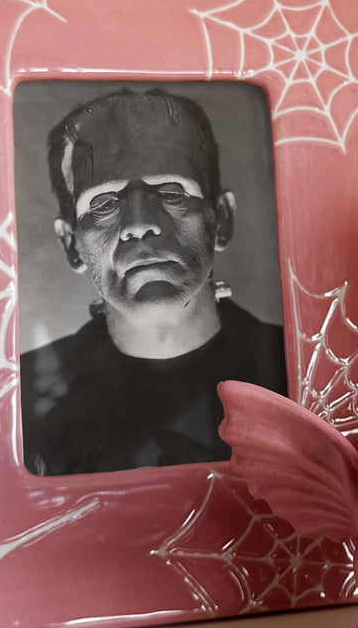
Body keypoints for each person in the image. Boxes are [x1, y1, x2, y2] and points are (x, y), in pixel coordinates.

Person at [19, 88, 286, 476]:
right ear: (72, 244)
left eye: (171, 191)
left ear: (221, 219)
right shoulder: (17, 400)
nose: (140, 224)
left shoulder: (295, 371)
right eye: (104, 203)